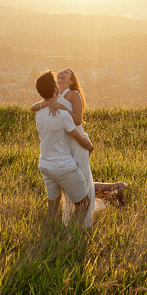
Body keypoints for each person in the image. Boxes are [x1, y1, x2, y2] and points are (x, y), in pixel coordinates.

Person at [31, 68, 129, 216]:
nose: (61, 73)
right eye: (60, 72)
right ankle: (111, 191)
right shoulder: (55, 98)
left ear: (72, 80)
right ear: (54, 88)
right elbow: (34, 107)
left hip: (76, 141)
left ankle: (113, 189)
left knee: (80, 180)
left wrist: (60, 107)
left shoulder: (73, 94)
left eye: (67, 73)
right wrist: (45, 104)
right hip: (65, 142)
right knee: (72, 184)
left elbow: (77, 120)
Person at [33, 71, 94, 226]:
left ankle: (49, 233)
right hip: (63, 166)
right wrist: (90, 146)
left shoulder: (39, 113)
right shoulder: (62, 115)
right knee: (83, 203)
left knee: (53, 204)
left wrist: (43, 104)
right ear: (55, 90)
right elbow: (80, 139)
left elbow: (34, 107)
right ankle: (70, 234)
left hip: (45, 164)